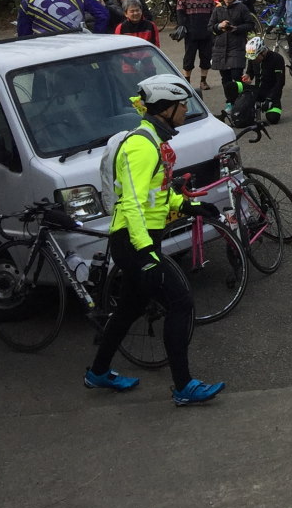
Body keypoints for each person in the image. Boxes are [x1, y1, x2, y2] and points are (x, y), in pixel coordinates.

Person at [86, 74, 224, 406]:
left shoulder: (154, 142)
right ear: (165, 108)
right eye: (181, 105)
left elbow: (156, 194)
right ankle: (183, 386)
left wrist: (189, 206)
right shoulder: (141, 146)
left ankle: (98, 372)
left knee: (129, 308)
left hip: (142, 238)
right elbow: (132, 203)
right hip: (134, 241)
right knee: (180, 302)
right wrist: (146, 251)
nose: (185, 110)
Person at [208, 0, 256, 114]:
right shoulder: (218, 9)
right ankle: (230, 101)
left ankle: (243, 99)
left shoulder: (241, 7)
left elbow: (250, 24)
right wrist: (219, 26)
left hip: (237, 46)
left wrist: (236, 28)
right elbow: (210, 27)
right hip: (220, 47)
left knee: (236, 75)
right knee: (225, 78)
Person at [175, 0, 216, 90]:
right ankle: (187, 82)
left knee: (206, 57)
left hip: (206, 32)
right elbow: (179, 11)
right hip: (191, 33)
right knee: (189, 58)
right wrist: (182, 26)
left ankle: (203, 81)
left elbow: (213, 12)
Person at [238, 35, 286, 126]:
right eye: (251, 58)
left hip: (271, 93)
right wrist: (248, 76)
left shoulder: (277, 58)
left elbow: (280, 82)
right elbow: (250, 72)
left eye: (255, 57)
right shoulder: (253, 58)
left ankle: (270, 105)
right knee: (232, 86)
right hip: (257, 91)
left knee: (273, 119)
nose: (254, 60)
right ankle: (234, 105)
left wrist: (270, 99)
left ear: (263, 52)